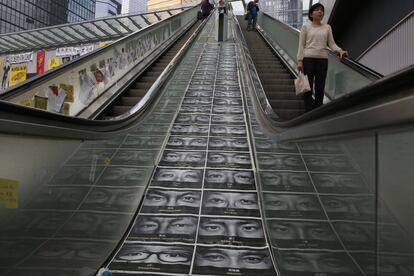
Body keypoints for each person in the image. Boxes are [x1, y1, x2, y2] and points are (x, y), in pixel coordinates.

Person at [297, 3, 348, 111]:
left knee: (320, 87)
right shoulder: (306, 26)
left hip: (322, 60)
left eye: (321, 10)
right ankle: (308, 111)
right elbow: (301, 45)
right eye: (317, 10)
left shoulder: (327, 27)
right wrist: (300, 61)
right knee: (308, 87)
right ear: (311, 13)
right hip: (308, 59)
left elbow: (332, 43)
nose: (320, 12)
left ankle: (318, 110)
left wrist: (339, 51)